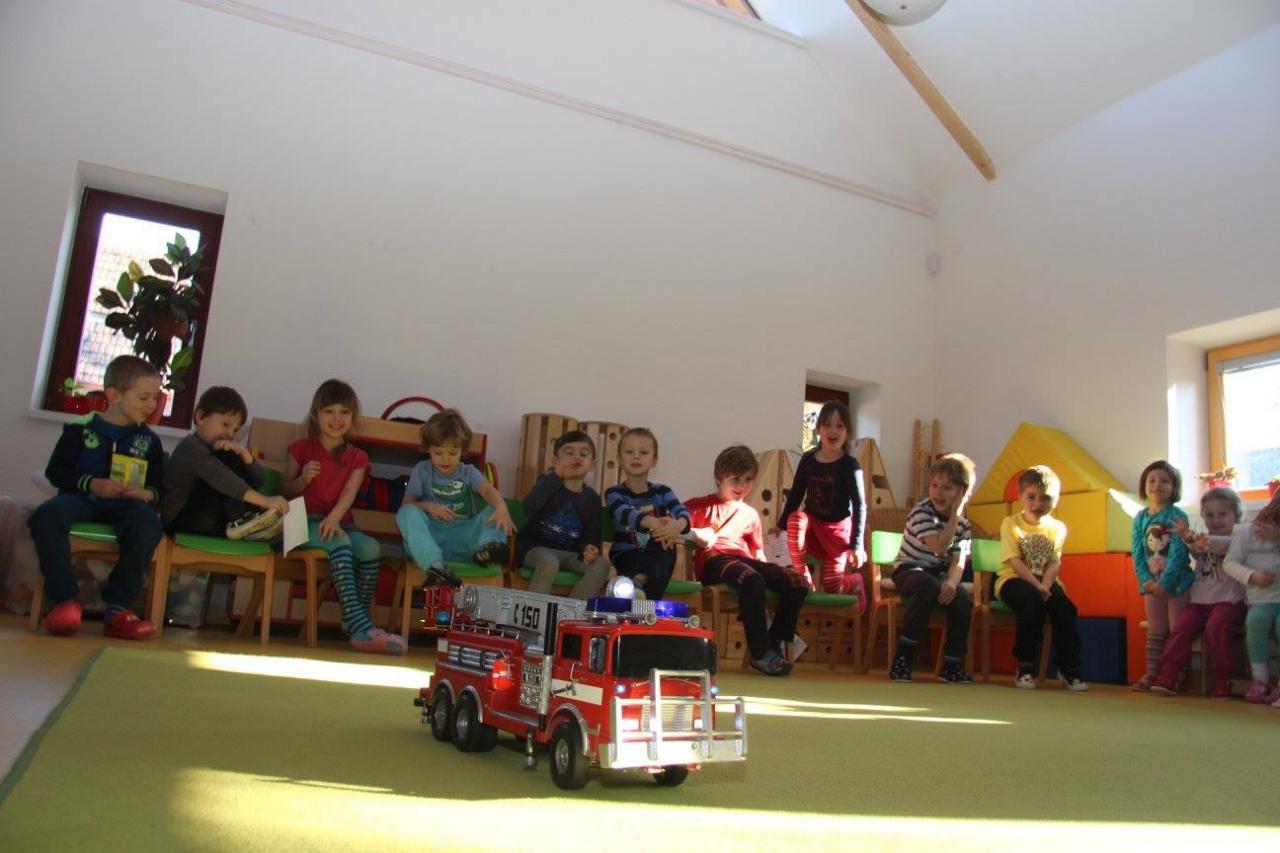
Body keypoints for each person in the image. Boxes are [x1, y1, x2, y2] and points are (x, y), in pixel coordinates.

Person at [27, 355, 165, 639]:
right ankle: (64, 602)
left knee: (148, 524)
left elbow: (159, 486)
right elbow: (56, 471)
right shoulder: (80, 428)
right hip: (81, 499)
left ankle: (118, 609)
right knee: (45, 516)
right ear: (114, 395)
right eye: (144, 397)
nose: (151, 405)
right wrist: (92, 484)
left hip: (127, 506)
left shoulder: (149, 440)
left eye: (155, 397)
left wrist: (146, 493)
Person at [282, 379, 405, 655]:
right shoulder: (300, 448)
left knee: (371, 547)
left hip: (339, 522)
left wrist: (334, 519)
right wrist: (302, 480)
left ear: (353, 417)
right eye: (329, 411)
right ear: (315, 415)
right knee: (341, 542)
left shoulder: (358, 457)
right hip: (302, 522)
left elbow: (350, 492)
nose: (336, 419)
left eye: (344, 412)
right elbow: (284, 490)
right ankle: (360, 626)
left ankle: (355, 622)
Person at [686, 445, 808, 677]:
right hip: (715, 560)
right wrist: (695, 534)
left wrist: (772, 574)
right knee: (752, 578)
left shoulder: (750, 515)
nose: (742, 486)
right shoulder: (700, 505)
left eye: (748, 480)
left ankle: (772, 646)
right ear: (719, 477)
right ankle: (760, 653)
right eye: (735, 479)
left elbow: (758, 555)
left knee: (798, 582)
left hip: (745, 563)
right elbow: (674, 524)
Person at [996, 465, 1087, 691]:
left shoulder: (1057, 528)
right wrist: (1037, 586)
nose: (1038, 504)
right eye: (1031, 497)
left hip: (1046, 582)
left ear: (1056, 500)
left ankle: (1068, 668)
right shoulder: (1010, 523)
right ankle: (1025, 666)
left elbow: (1054, 562)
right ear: (1020, 497)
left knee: (1064, 607)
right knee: (1032, 601)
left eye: (1045, 498)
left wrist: (1045, 585)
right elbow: (1015, 561)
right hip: (1013, 580)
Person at [395, 408, 514, 582]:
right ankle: (436, 568)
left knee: (495, 507)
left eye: (452, 453)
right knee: (406, 512)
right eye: (438, 453)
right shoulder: (422, 470)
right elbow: (407, 504)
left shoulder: (468, 472)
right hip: (431, 540)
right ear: (428, 449)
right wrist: (428, 507)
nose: (445, 459)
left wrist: (501, 507)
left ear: (462, 450)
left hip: (465, 542)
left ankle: (489, 549)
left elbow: (487, 490)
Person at [1150, 487, 1246, 699]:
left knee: (1216, 629)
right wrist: (1188, 538)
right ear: (1203, 517)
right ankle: (1169, 675)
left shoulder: (1238, 538)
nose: (1216, 520)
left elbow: (1215, 545)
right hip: (1199, 603)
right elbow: (1197, 550)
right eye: (1210, 515)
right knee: (1180, 630)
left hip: (1228, 603)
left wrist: (1190, 536)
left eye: (1222, 514)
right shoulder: (1203, 539)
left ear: (1236, 517)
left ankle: (1222, 680)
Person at [889, 453, 976, 684]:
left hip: (938, 577)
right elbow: (939, 548)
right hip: (909, 570)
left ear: (961, 492)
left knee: (962, 600)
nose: (939, 493)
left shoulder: (964, 526)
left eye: (947, 488)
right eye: (934, 486)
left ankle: (951, 664)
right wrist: (955, 516)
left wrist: (952, 584)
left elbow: (958, 561)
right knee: (926, 586)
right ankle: (903, 658)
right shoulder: (922, 512)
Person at [161, 386, 289, 539]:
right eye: (225, 424)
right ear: (200, 417)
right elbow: (220, 477)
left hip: (211, 519)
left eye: (235, 430)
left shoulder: (218, 449)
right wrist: (264, 501)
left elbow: (260, 480)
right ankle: (242, 521)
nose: (229, 434)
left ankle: (247, 521)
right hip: (181, 520)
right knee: (226, 462)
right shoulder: (191, 447)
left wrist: (244, 453)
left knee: (232, 455)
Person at [776, 401, 867, 604]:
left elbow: (860, 506)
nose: (833, 430)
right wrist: (781, 525)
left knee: (833, 585)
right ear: (818, 429)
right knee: (796, 519)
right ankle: (803, 574)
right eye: (827, 424)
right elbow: (796, 494)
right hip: (813, 526)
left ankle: (856, 581)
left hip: (836, 532)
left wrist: (857, 545)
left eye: (840, 426)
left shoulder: (850, 465)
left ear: (847, 432)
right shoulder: (808, 460)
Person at [518, 431, 610, 599]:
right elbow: (528, 508)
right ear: (555, 461)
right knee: (549, 562)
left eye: (583, 454)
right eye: (569, 452)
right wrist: (555, 476)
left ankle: (573, 610)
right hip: (536, 550)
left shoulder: (592, 498)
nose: (576, 457)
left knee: (602, 565)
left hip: (571, 555)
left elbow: (593, 535)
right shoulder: (547, 483)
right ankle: (536, 610)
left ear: (592, 464)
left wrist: (590, 548)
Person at [604, 427, 691, 600]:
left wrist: (677, 526)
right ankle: (643, 600)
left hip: (658, 552)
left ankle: (637, 585)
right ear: (620, 459)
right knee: (660, 544)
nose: (636, 456)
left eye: (643, 452)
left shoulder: (663, 492)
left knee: (665, 542)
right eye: (629, 452)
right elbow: (625, 514)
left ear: (654, 461)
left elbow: (682, 512)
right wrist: (654, 523)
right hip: (627, 553)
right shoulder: (614, 493)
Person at [1129, 460, 1193, 691]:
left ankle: (1175, 675)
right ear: (1144, 486)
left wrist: (1165, 582)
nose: (1158, 485)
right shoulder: (1140, 518)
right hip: (1151, 585)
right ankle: (1152, 673)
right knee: (1155, 631)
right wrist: (1146, 580)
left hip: (1177, 585)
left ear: (1174, 487)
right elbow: (1137, 551)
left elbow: (1178, 552)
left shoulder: (1177, 515)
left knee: (1177, 631)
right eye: (1152, 480)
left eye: (1165, 481)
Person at [1222, 489, 1280, 705]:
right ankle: (1260, 680)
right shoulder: (1248, 532)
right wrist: (1252, 576)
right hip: (1261, 600)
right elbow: (1230, 563)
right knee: (1255, 622)